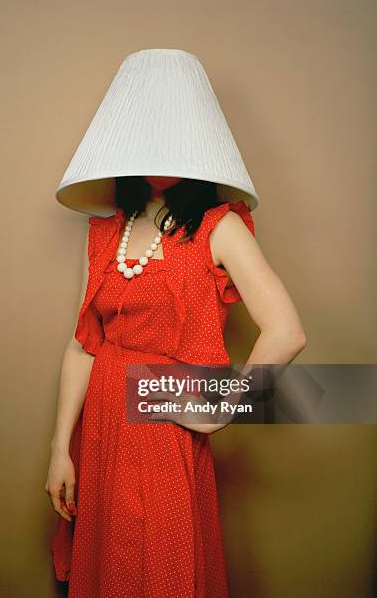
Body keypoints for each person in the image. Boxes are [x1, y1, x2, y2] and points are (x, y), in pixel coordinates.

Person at [46, 175, 307, 597]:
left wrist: (223, 409)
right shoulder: (107, 231)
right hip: (101, 426)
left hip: (161, 420)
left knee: (163, 570)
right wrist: (60, 451)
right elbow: (83, 347)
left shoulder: (218, 227)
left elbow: (286, 332)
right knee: (109, 568)